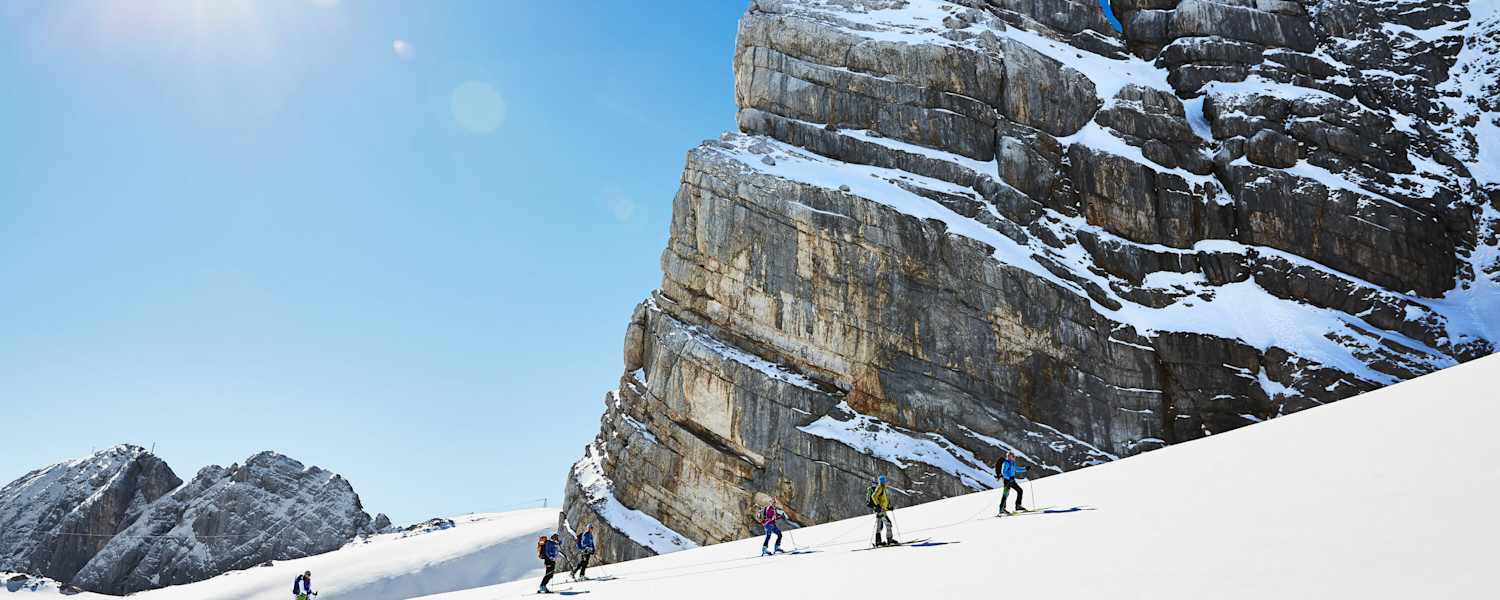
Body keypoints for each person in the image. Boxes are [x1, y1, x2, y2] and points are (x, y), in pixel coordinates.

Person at [868, 475, 897, 546]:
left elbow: (882, 501)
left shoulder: (882, 488)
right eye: (883, 480)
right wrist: (878, 505)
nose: (884, 482)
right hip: (880, 510)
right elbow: (873, 496)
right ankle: (889, 540)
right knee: (888, 523)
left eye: (884, 480)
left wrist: (888, 508)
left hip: (880, 510)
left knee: (879, 526)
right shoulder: (880, 487)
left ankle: (878, 542)